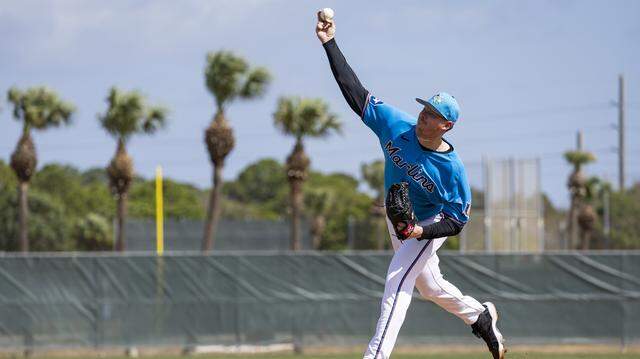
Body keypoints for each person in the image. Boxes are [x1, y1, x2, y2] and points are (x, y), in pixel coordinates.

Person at [316, 11, 506, 359]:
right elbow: (355, 92)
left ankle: (376, 355)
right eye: (424, 109)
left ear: (446, 126)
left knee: (398, 280)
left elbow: (457, 221)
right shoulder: (395, 124)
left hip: (429, 222)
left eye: (433, 115)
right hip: (398, 217)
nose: (424, 116)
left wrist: (420, 230)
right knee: (429, 286)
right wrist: (330, 43)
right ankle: (479, 316)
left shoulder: (452, 171)